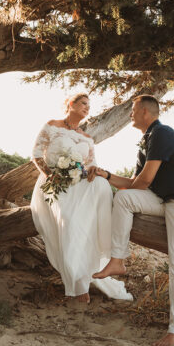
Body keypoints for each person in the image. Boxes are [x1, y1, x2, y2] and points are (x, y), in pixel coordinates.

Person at [91, 95, 174, 346]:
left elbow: (144, 181)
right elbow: (134, 185)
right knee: (124, 199)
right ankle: (117, 260)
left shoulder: (162, 133)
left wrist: (124, 182)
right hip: (165, 200)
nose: (130, 114)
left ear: (145, 112)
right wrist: (107, 175)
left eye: (133, 110)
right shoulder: (145, 142)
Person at [30, 93, 132, 303]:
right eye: (83, 103)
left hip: (77, 183)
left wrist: (93, 170)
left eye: (89, 105)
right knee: (69, 222)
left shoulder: (87, 138)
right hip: (54, 183)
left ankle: (108, 252)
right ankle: (77, 285)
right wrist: (51, 176)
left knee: (102, 184)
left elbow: (91, 164)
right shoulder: (52, 125)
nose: (87, 108)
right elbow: (36, 154)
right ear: (70, 104)